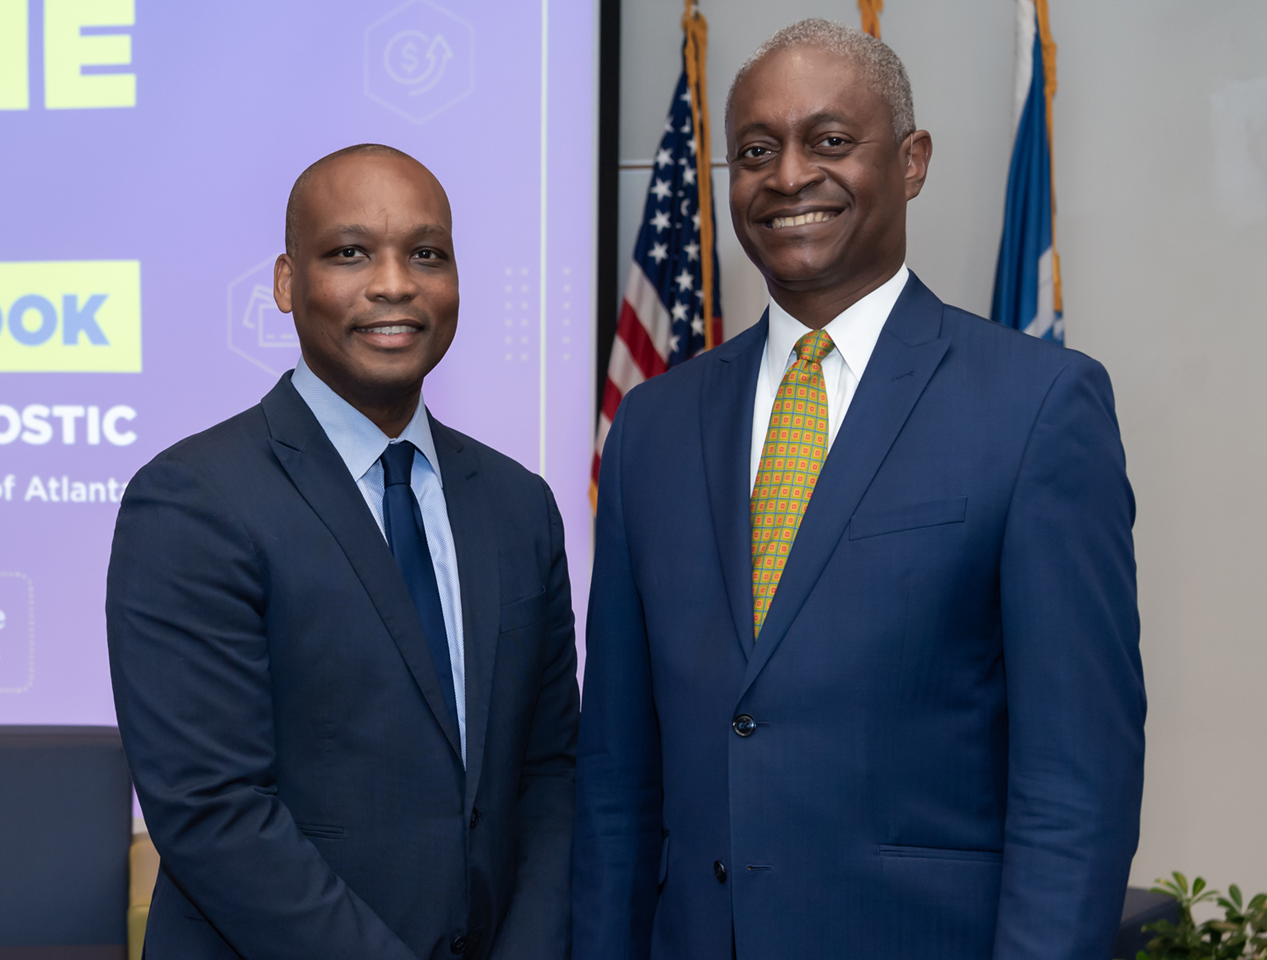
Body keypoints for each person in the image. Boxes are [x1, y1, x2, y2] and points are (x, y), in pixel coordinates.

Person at [574, 20, 1144, 960]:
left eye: (830, 141)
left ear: (912, 161)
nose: (790, 175)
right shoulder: (651, 429)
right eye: (756, 151)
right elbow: (616, 780)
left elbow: (1077, 778)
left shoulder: (1038, 405)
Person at [107, 144, 579, 960]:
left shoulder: (519, 505)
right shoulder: (191, 499)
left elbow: (550, 778)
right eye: (350, 252)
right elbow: (215, 811)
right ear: (288, 283)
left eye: (426, 254)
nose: (395, 282)